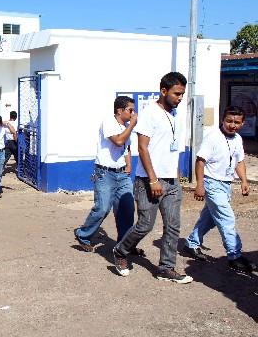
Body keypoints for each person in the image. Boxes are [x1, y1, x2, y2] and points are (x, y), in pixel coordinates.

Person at [113, 72, 193, 284]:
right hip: (149, 180)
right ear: (164, 91)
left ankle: (166, 268)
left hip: (171, 181)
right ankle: (121, 251)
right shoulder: (150, 113)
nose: (179, 98)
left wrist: (176, 179)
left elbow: (171, 151)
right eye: (177, 94)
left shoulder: (175, 115)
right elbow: (142, 147)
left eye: (182, 94)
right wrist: (153, 179)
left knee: (173, 226)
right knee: (146, 225)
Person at [184, 106, 257, 273]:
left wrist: (244, 181)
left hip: (226, 184)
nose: (232, 125)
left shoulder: (238, 139)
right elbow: (200, 161)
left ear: (242, 123)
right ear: (223, 120)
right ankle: (234, 256)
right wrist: (200, 185)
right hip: (212, 183)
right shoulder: (213, 137)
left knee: (208, 219)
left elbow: (239, 161)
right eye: (229, 121)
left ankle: (191, 243)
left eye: (237, 122)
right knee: (227, 219)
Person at [74, 96, 139, 253]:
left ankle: (125, 244)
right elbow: (118, 141)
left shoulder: (126, 126)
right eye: (130, 110)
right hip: (105, 172)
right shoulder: (109, 122)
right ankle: (83, 235)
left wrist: (129, 164)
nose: (133, 113)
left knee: (127, 209)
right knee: (102, 208)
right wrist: (132, 126)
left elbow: (126, 147)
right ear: (119, 110)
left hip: (122, 173)